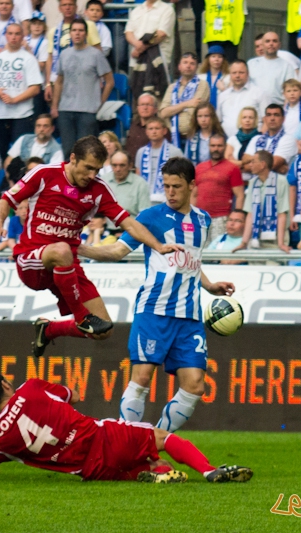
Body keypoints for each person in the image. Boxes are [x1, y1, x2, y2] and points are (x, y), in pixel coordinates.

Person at [75, 157, 233, 434]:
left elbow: (189, 260)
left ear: (192, 186)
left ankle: (155, 440)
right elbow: (117, 251)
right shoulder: (149, 217)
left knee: (195, 384)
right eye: (166, 186)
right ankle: (132, 443)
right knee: (142, 377)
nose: (170, 192)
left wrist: (208, 285)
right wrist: (78, 249)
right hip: (154, 310)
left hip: (190, 316)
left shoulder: (203, 220)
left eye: (177, 186)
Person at [0, 136, 180, 354]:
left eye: (97, 170)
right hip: (33, 259)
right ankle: (81, 316)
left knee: (103, 329)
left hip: (67, 266)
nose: (92, 175)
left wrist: (158, 245)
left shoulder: (98, 190)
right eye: (88, 168)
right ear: (73, 158)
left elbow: (128, 223)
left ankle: (49, 330)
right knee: (61, 249)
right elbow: (6, 200)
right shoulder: (44, 174)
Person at [0, 372, 253, 483]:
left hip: (88, 469)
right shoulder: (30, 388)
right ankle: (208, 471)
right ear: (6, 385)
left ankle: (156, 474)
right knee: (162, 438)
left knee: (140, 468)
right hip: (99, 436)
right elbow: (69, 395)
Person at [51, 19, 113, 159]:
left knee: (85, 152)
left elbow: (109, 81)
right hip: (66, 110)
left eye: (80, 30)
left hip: (87, 110)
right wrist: (55, 105)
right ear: (70, 34)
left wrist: (99, 103)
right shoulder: (64, 54)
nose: (77, 33)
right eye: (74, 30)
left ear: (86, 33)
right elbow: (59, 81)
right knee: (68, 151)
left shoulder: (96, 54)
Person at [0, 24, 42, 160]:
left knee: (20, 156)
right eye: (10, 33)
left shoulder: (29, 59)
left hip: (22, 115)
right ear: (6, 36)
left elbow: (35, 88)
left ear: (22, 36)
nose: (13, 37)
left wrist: (14, 100)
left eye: (17, 34)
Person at [236, 150, 290, 254]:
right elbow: (250, 214)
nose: (250, 165)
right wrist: (244, 242)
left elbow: (281, 214)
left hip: (276, 236)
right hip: (256, 236)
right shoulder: (252, 183)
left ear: (262, 164)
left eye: (253, 162)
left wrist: (280, 244)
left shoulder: (281, 181)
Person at [192, 134, 243, 244]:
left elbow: (239, 195)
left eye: (219, 146)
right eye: (213, 145)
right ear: (209, 146)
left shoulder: (233, 168)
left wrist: (236, 218)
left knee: (217, 253)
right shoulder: (199, 167)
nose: (216, 149)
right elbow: (194, 194)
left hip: (221, 218)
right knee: (200, 252)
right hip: (200, 218)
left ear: (225, 146)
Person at [45, 0, 102, 90]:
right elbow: (50, 58)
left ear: (76, 7)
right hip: (60, 80)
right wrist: (48, 84)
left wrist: (100, 78)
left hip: (83, 79)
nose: (67, 8)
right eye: (64, 5)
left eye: (70, 4)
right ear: (59, 8)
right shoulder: (54, 32)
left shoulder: (88, 25)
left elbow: (98, 53)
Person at [158, 53, 210, 150]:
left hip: (194, 137)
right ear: (179, 66)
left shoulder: (202, 85)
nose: (188, 66)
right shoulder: (172, 87)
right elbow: (163, 113)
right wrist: (186, 104)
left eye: (192, 63)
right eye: (185, 62)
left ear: (196, 67)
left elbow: (195, 110)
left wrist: (174, 109)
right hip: (173, 137)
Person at [135, 118, 184, 205]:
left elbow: (181, 177)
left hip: (166, 198)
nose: (154, 131)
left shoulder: (175, 151)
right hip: (144, 198)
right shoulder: (141, 152)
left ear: (164, 131)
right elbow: (138, 176)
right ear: (146, 132)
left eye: (157, 128)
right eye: (151, 129)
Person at [217, 60, 269, 138]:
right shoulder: (223, 95)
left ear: (248, 74)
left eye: (241, 72)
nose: (237, 75)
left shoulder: (259, 93)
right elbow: (218, 121)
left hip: (252, 142)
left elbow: (267, 121)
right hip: (227, 143)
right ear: (230, 75)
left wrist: (259, 140)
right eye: (234, 73)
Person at [243, 104, 298, 175]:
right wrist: (276, 168)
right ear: (265, 119)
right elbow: (245, 165)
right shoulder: (256, 139)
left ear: (283, 119)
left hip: (278, 184)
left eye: (276, 115)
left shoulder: (288, 139)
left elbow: (273, 164)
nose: (272, 118)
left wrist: (251, 160)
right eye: (269, 115)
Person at [247, 32, 296, 106]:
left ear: (279, 45)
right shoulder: (251, 64)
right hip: (253, 108)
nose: (271, 44)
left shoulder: (287, 66)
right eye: (267, 41)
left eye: (274, 41)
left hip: (276, 109)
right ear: (262, 45)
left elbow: (290, 92)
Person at [123, 0, 175, 69]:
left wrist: (140, 48)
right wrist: (136, 44)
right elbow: (128, 32)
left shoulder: (167, 10)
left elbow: (161, 34)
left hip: (158, 61)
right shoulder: (136, 10)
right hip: (136, 60)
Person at [101, 150, 150, 219]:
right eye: (114, 165)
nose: (118, 169)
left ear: (130, 166)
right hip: (104, 227)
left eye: (122, 165)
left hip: (130, 228)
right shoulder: (103, 181)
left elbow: (145, 215)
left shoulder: (140, 184)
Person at [125, 93, 166, 160]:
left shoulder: (161, 127)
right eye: (142, 105)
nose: (145, 108)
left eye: (148, 105)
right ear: (137, 108)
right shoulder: (133, 125)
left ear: (155, 109)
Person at [225, 107, 260, 183]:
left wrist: (236, 163)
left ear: (255, 120)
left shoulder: (260, 139)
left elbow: (260, 164)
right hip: (236, 182)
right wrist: (245, 162)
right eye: (244, 117)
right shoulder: (232, 139)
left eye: (250, 117)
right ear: (240, 120)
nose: (247, 120)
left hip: (255, 181)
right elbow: (227, 163)